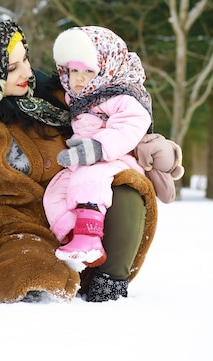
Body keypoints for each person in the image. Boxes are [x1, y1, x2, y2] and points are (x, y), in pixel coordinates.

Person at [0, 19, 158, 303]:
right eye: (12, 68)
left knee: (126, 187)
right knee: (33, 274)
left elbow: (109, 119)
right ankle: (38, 300)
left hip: (76, 207)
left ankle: (108, 280)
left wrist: (150, 142)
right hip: (16, 226)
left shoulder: (54, 96)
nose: (27, 71)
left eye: (24, 58)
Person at [42, 26, 153, 272]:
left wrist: (97, 148)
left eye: (88, 71)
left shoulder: (122, 94)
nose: (79, 78)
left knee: (88, 179)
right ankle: (72, 236)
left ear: (106, 68)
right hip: (83, 159)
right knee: (56, 191)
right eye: (73, 71)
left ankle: (89, 236)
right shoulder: (77, 96)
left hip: (115, 158)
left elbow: (130, 126)